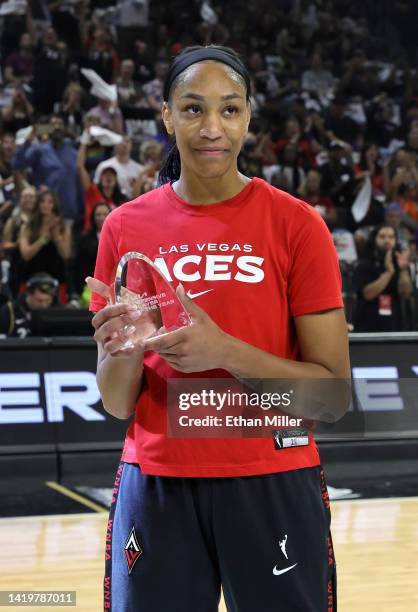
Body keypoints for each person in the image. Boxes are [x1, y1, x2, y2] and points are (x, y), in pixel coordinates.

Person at [87, 45, 350, 611]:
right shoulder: (123, 228)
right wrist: (129, 347)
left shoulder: (298, 225)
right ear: (166, 116)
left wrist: (223, 350)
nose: (212, 128)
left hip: (272, 477)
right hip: (158, 482)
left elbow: (330, 396)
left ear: (249, 116)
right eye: (193, 109)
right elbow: (114, 401)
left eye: (229, 109)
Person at [352, 223, 413, 332]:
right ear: (374, 239)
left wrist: (403, 270)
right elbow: (368, 294)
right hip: (367, 327)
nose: (387, 240)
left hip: (394, 327)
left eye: (391, 237)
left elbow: (406, 293)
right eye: (382, 236)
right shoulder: (364, 263)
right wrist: (389, 273)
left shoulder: (399, 262)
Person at [0, 272, 58, 338]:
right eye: (39, 300)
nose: (44, 305)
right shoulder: (9, 311)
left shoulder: (58, 310)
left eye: (48, 300)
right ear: (28, 294)